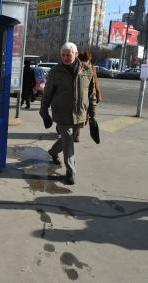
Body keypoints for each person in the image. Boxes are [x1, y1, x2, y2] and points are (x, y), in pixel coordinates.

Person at [39, 42, 97, 185]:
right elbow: (47, 93)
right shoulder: (55, 71)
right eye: (63, 55)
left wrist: (93, 113)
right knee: (68, 140)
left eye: (68, 54)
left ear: (76, 54)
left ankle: (53, 152)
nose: (65, 57)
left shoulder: (87, 70)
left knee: (67, 140)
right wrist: (44, 110)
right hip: (62, 113)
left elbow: (91, 93)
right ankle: (70, 172)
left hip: (80, 114)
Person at [76, 51, 102, 142]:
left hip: (88, 95)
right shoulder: (77, 67)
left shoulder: (91, 67)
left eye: (87, 60)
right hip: (80, 96)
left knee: (84, 115)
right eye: (85, 60)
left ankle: (76, 133)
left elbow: (95, 82)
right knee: (80, 114)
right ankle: (76, 134)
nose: (87, 62)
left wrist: (98, 93)